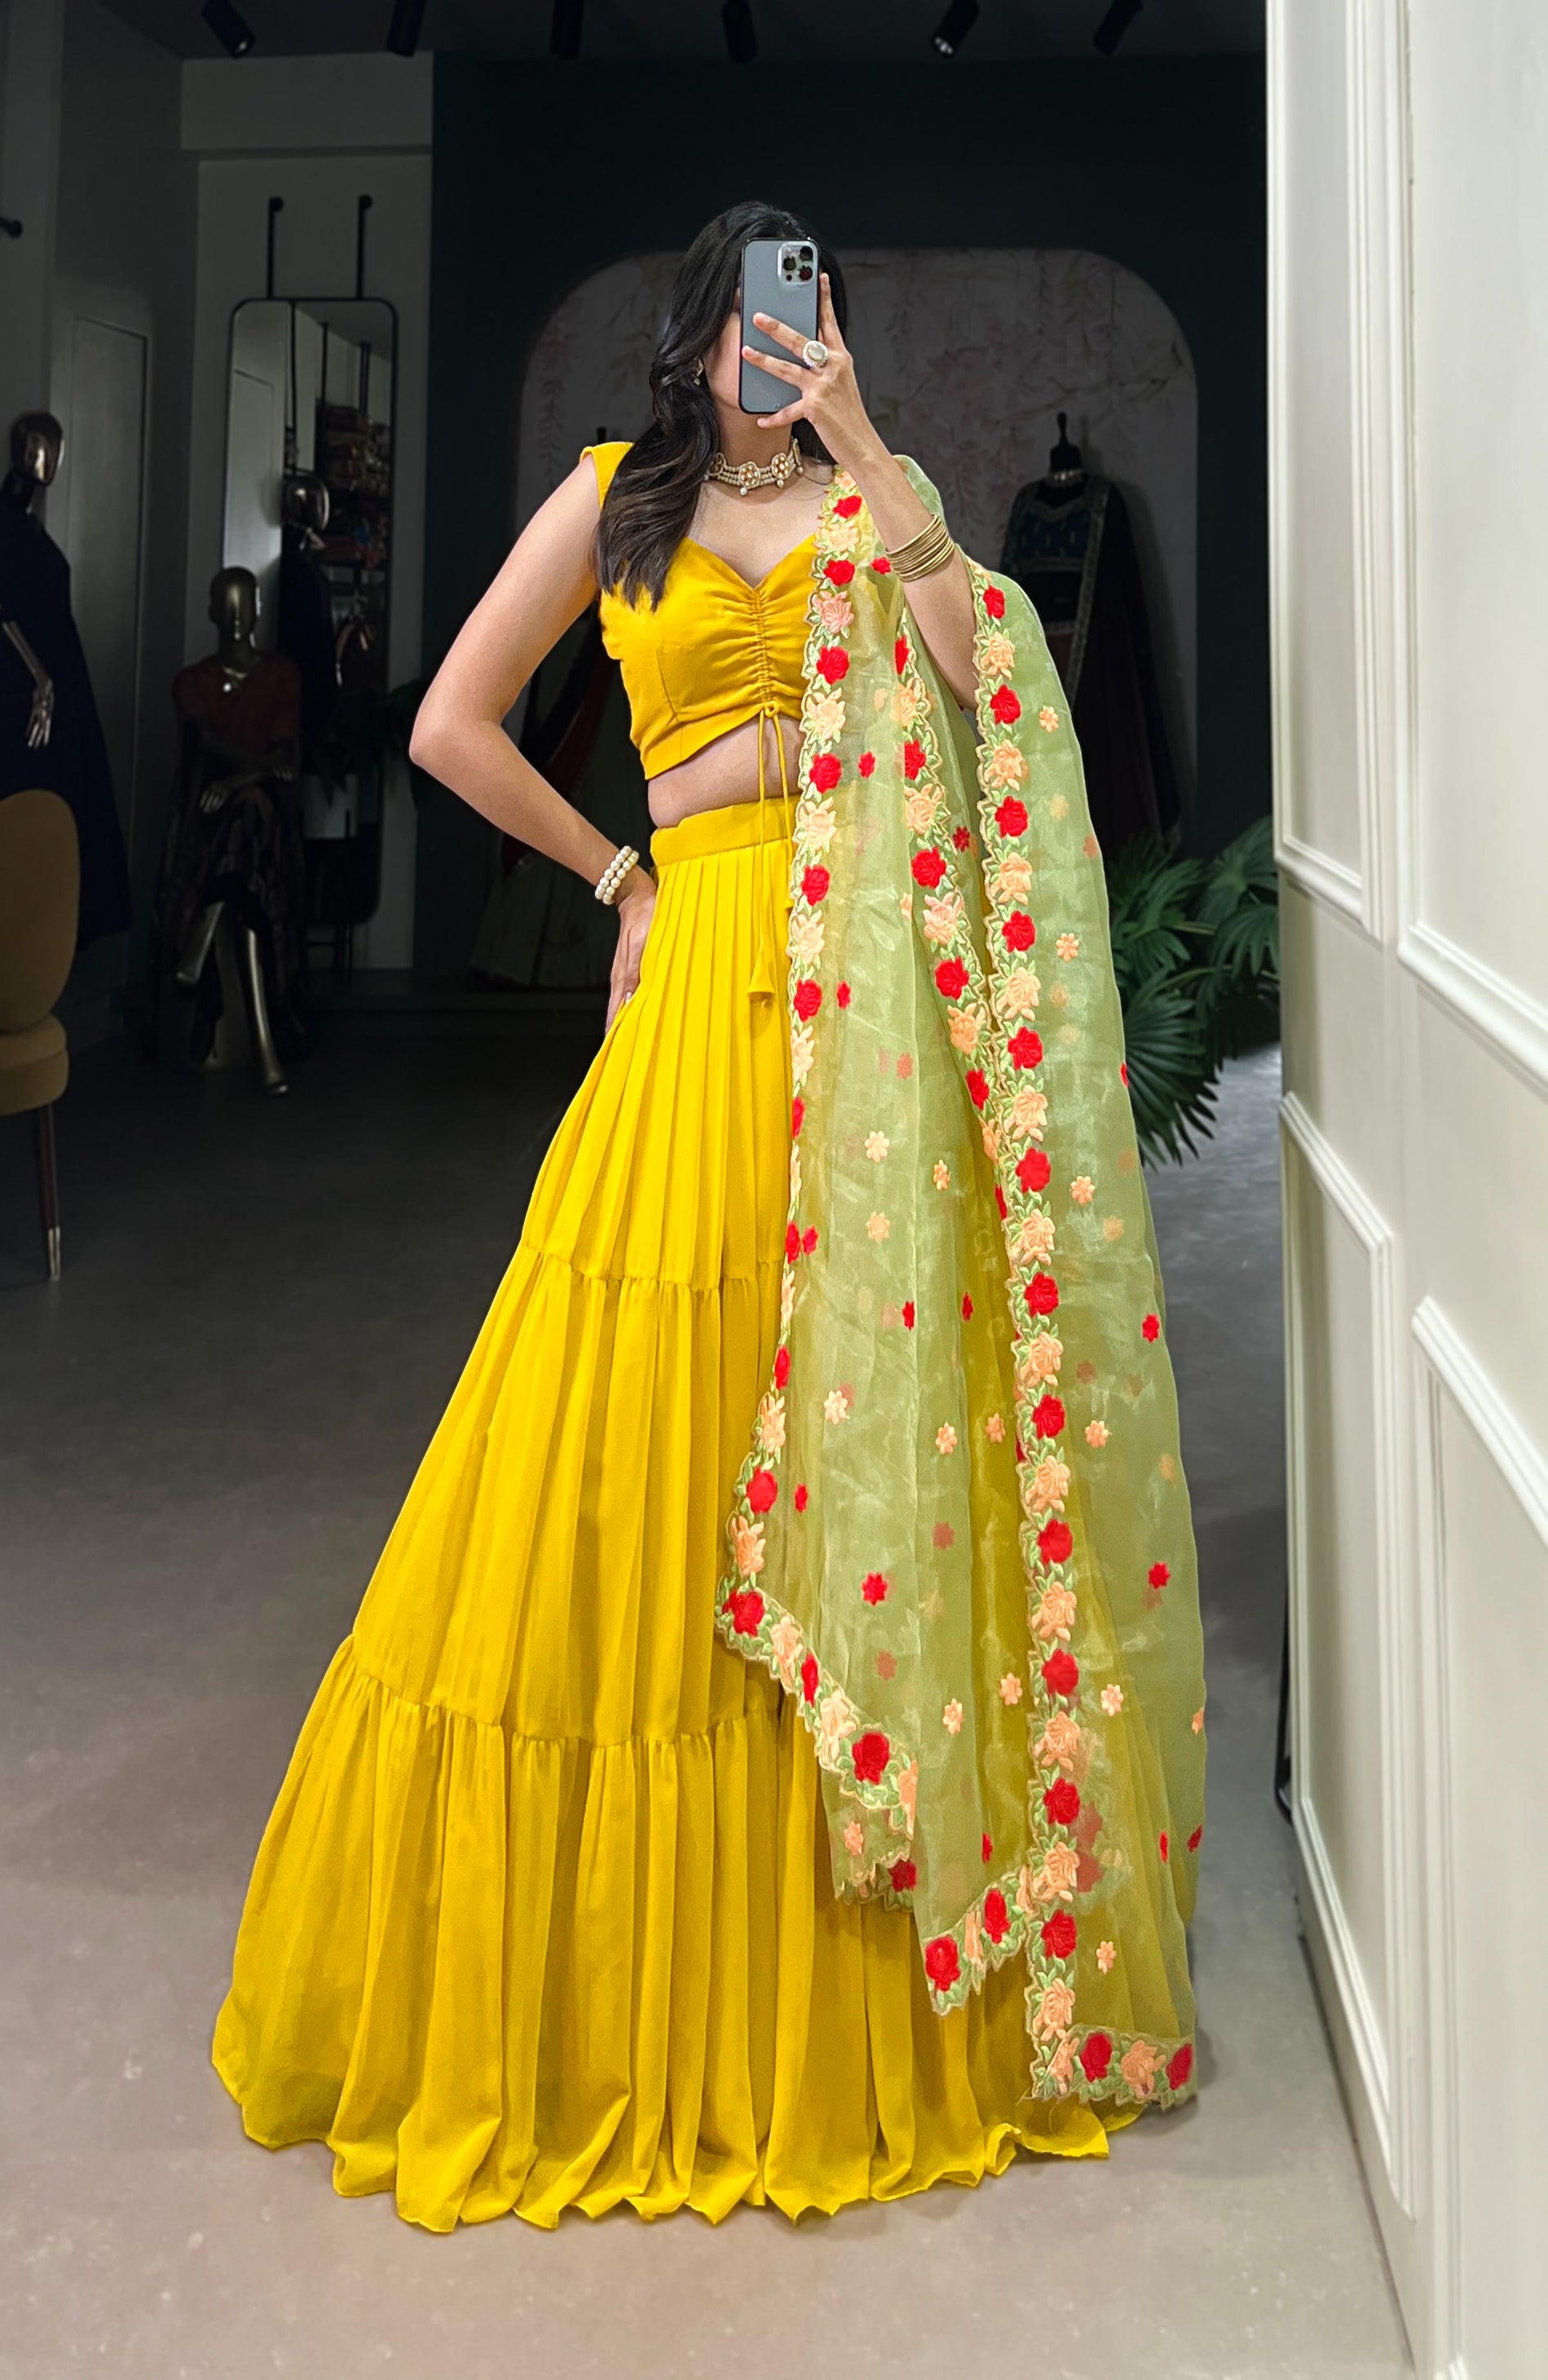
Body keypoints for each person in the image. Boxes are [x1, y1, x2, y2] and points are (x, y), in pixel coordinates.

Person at [214, 201, 1206, 2232]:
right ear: (690, 339)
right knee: (649, 1418)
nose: (782, 337)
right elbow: (447, 722)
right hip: (698, 980)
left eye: (811, 309)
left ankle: (864, 1932)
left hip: (868, 1018)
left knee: (865, 1423)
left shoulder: (876, 491)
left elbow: (983, 677)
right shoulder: (614, 502)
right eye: (758, 315)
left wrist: (862, 443)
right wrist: (619, 881)